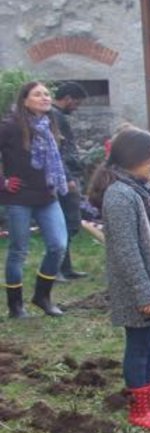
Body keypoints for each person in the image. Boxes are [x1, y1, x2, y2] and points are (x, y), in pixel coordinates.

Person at [89, 128, 150, 429]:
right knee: (140, 348)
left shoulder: (140, 188)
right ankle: (140, 410)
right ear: (132, 158)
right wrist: (144, 293)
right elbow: (127, 251)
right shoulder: (119, 196)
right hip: (138, 288)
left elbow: (149, 231)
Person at [1, 81, 69, 318]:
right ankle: (15, 306)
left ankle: (42, 296)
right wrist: (3, 182)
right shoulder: (9, 126)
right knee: (19, 250)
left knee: (58, 245)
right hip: (19, 197)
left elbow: (56, 160)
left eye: (47, 94)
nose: (45, 98)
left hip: (47, 195)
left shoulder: (50, 124)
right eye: (38, 94)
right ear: (24, 100)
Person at [52, 82, 88, 280]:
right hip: (65, 180)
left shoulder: (58, 116)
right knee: (67, 224)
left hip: (69, 176)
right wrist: (67, 178)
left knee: (69, 224)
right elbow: (57, 152)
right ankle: (55, 269)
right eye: (77, 102)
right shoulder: (54, 117)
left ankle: (66, 268)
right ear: (67, 98)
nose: (77, 107)